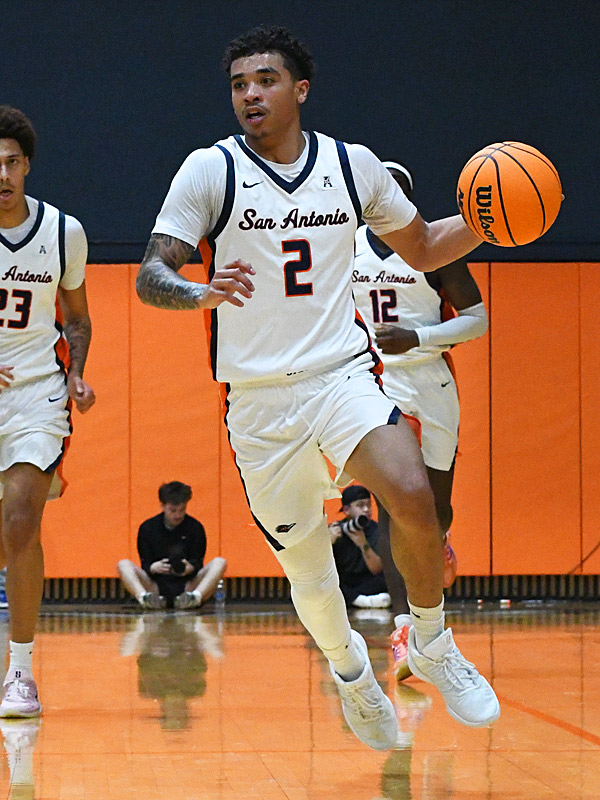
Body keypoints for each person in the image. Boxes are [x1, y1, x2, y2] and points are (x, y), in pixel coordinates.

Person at [136, 24, 500, 749]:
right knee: (308, 571)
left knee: (414, 494)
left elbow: (427, 246)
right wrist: (199, 292)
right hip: (258, 401)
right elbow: (152, 274)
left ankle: (431, 639)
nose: (250, 95)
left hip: (340, 376)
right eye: (239, 84)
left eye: (265, 80)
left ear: (300, 89)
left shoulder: (352, 166)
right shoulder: (211, 171)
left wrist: (491, 221)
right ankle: (352, 674)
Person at [352, 161, 488, 680]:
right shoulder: (345, 249)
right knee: (395, 504)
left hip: (430, 380)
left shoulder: (436, 249)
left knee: (434, 510)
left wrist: (419, 337)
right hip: (375, 382)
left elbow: (477, 320)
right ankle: (407, 627)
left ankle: (436, 541)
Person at [0, 106, 95, 718]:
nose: (1, 175)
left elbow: (77, 318)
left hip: (37, 393)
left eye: (10, 162)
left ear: (27, 165)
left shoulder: (63, 232)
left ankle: (21, 672)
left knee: (21, 520)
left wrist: (78, 373)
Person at [118, 481, 227, 610]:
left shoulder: (195, 528)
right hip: (155, 586)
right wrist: (153, 567)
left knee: (220, 562)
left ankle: (194, 598)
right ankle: (145, 598)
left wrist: (190, 567)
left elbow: (198, 561)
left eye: (182, 510)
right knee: (123, 564)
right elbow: (145, 563)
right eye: (173, 510)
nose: (177, 515)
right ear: (163, 506)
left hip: (187, 585)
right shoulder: (148, 528)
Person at [329, 485, 390, 609]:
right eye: (360, 505)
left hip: (368, 580)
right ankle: (362, 601)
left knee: (390, 578)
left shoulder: (376, 530)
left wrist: (363, 543)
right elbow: (320, 564)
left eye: (368, 505)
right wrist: (328, 542)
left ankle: (354, 600)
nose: (366, 509)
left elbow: (377, 569)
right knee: (327, 581)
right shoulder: (336, 529)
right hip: (344, 581)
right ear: (346, 510)